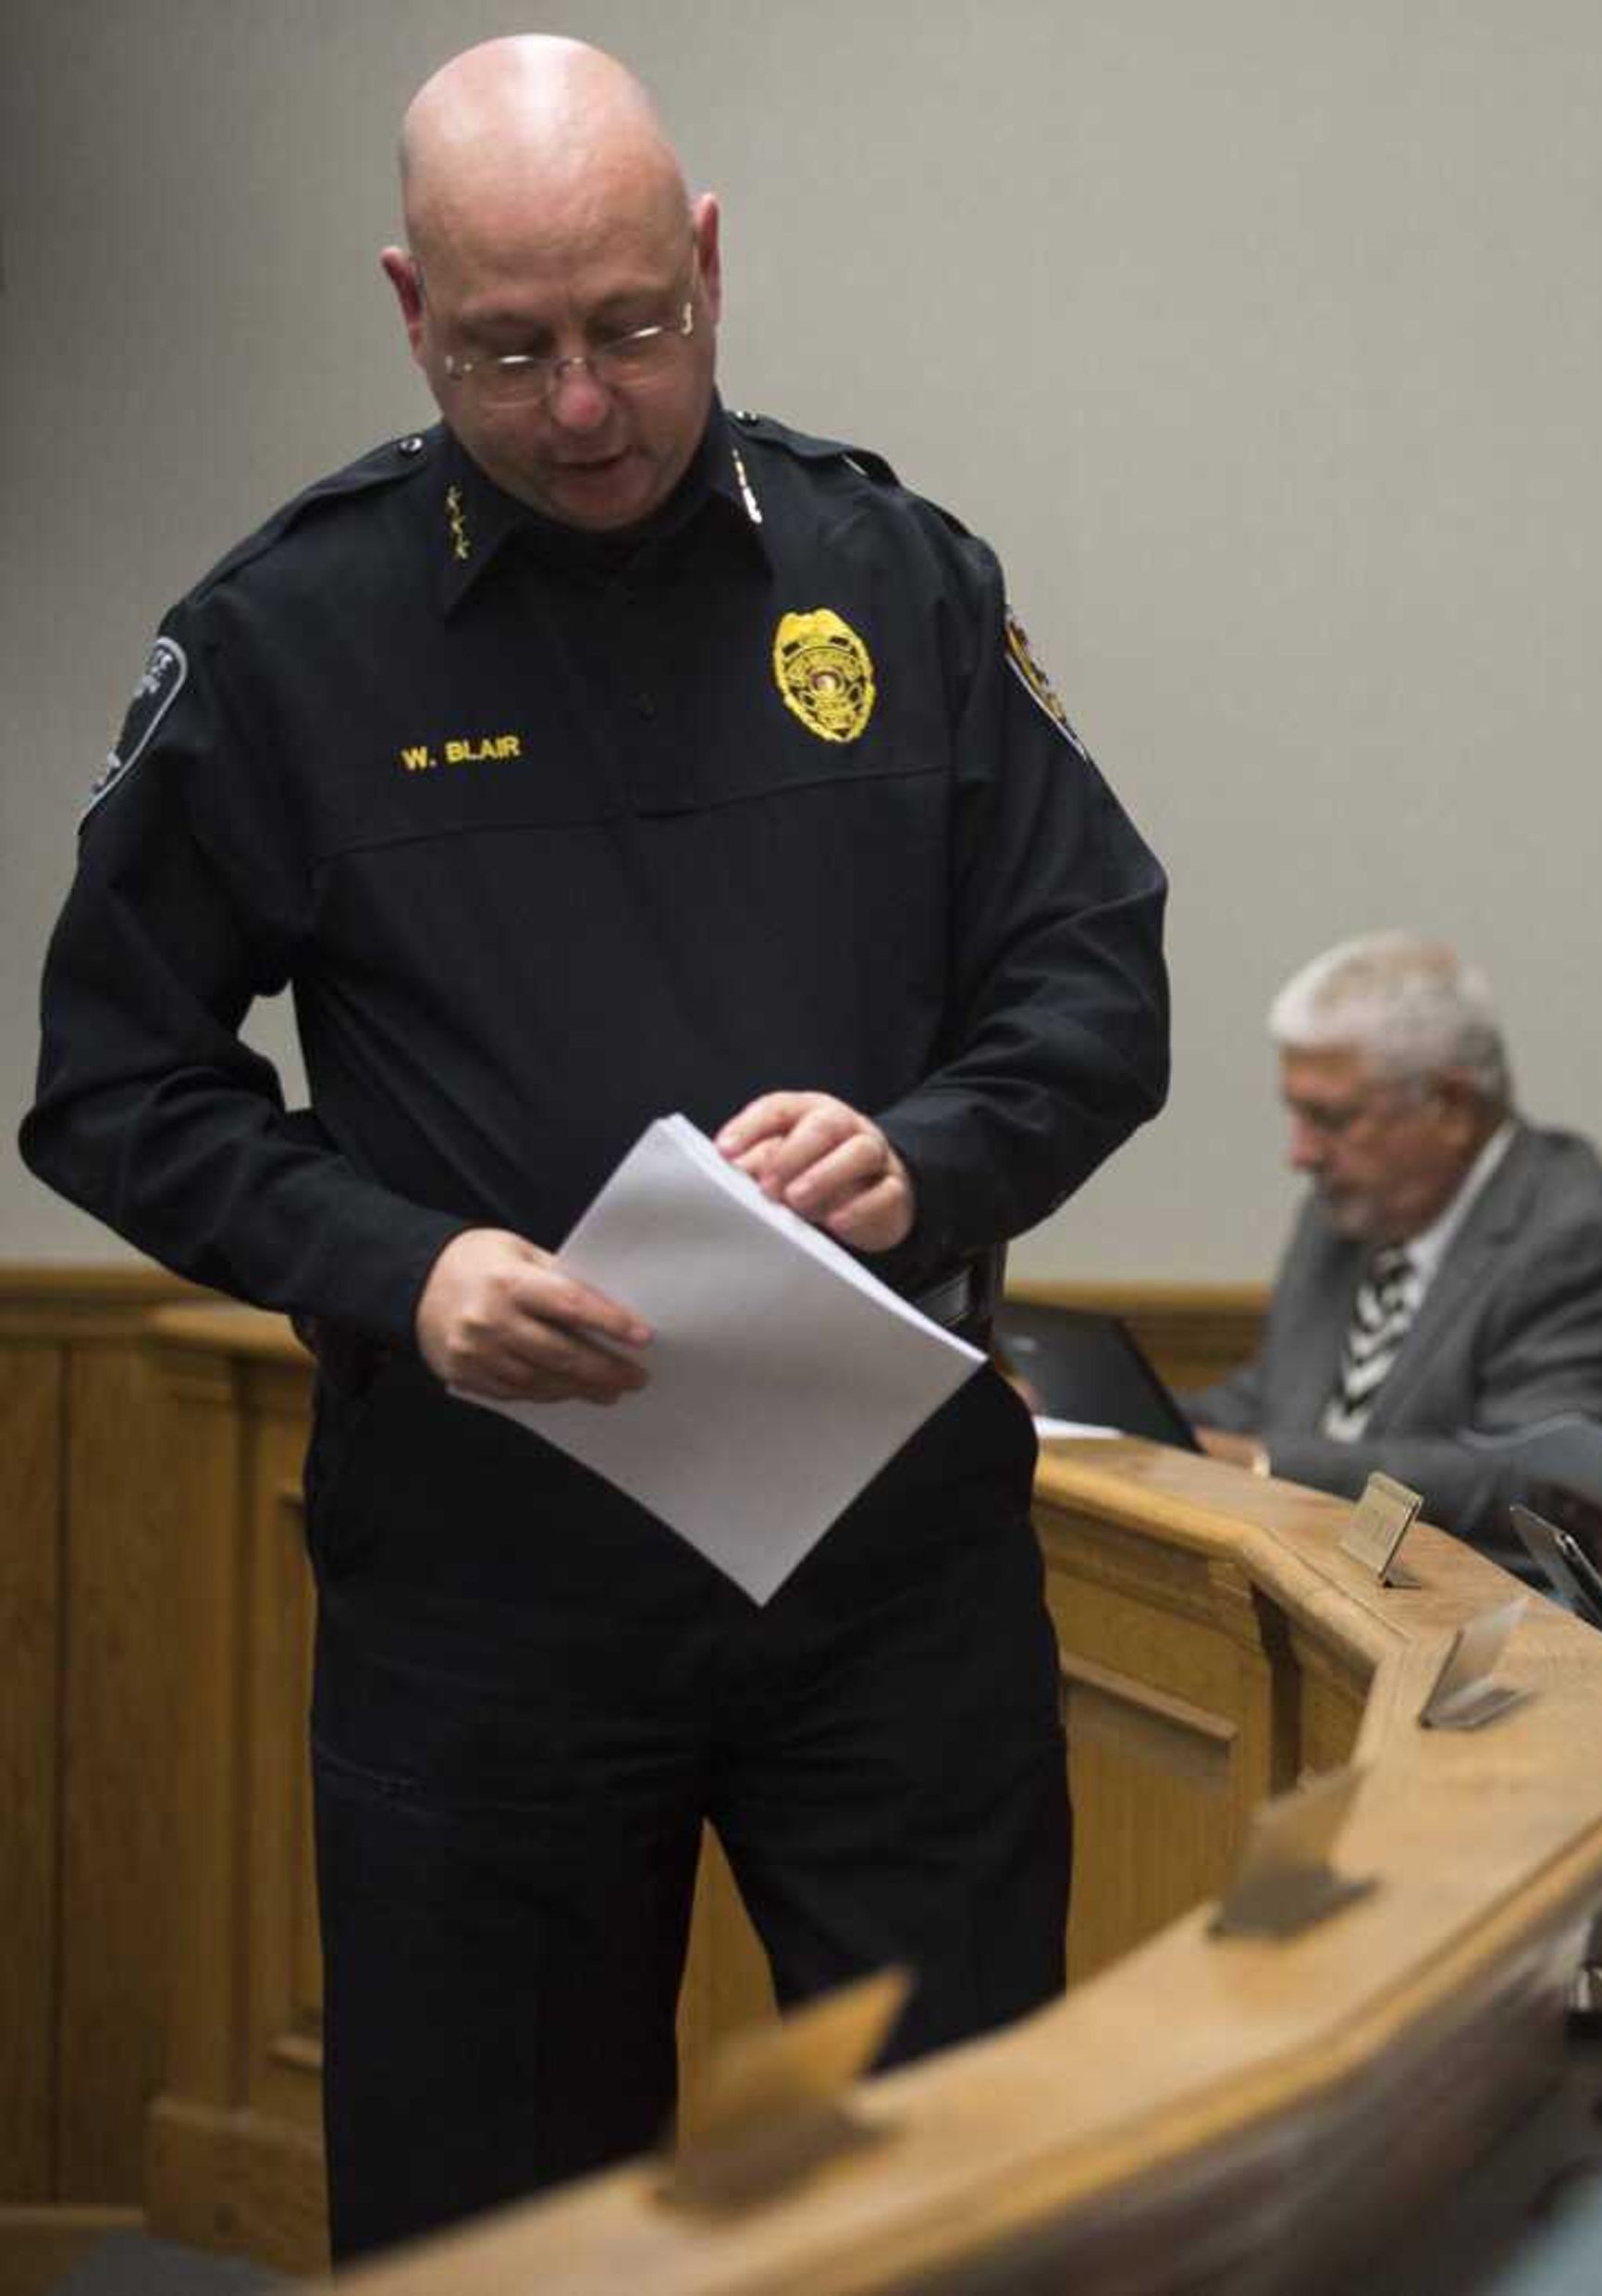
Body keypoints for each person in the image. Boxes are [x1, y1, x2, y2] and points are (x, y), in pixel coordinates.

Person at [18, 37, 1171, 2258]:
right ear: (405, 307)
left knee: (966, 2193)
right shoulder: (289, 640)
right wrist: (389, 1263)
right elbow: (115, 1081)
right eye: (507, 349)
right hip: (490, 1585)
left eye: (630, 330)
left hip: (883, 1568)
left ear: (711, 266)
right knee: (496, 2217)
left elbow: (1091, 974)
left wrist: (923, 1153)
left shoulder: (892, 574)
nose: (578, 405)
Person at [1179, 931, 1602, 1542]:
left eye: (1330, 1118)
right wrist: (1101, 1424)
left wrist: (1260, 1466)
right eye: (1295, 1115)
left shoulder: (1577, 1245)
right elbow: (1273, 1403)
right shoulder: (1346, 1214)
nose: (1300, 1155)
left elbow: (1527, 1487)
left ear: (1453, 1107)